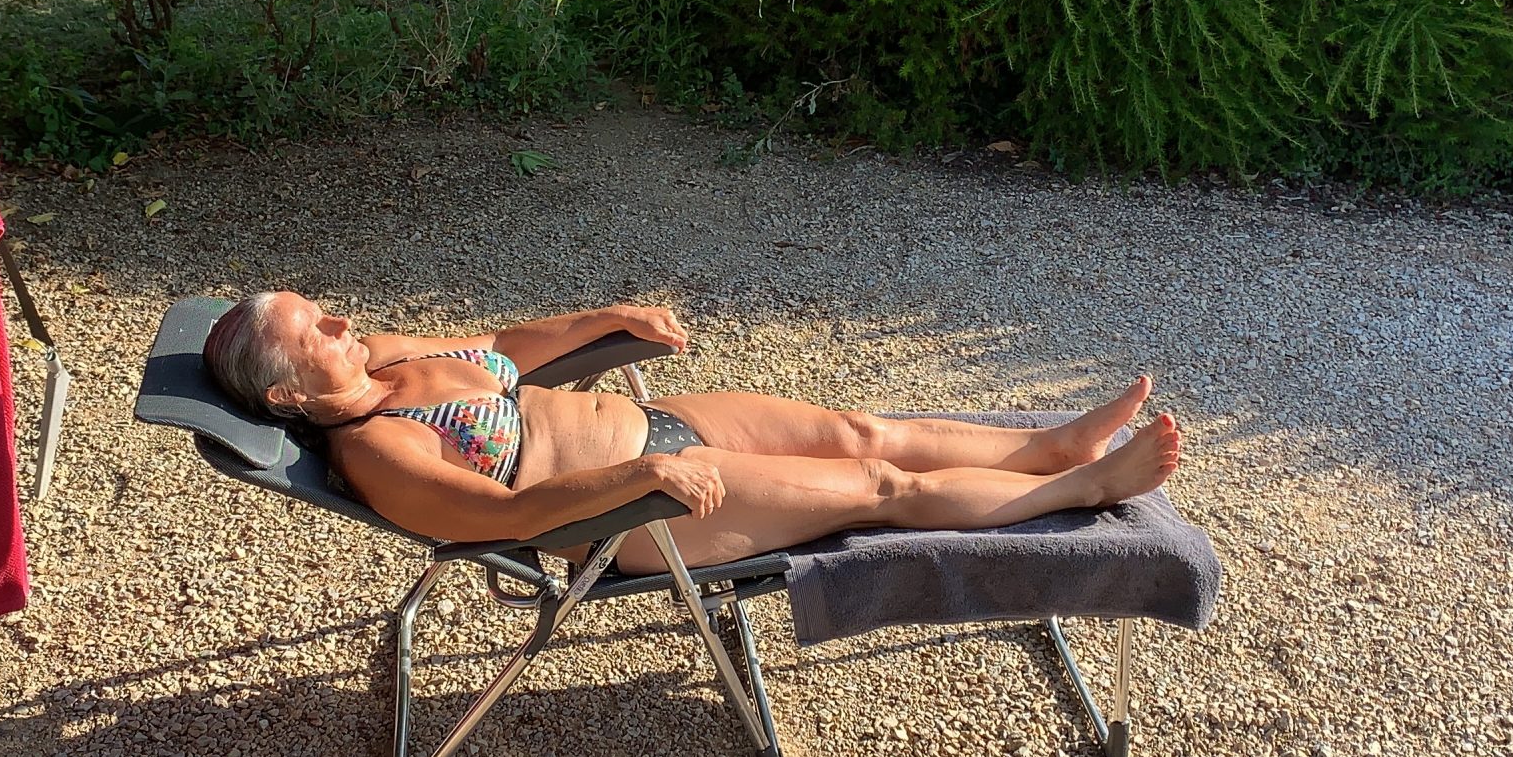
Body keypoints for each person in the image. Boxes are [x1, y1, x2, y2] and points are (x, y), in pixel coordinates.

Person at [203, 292, 1182, 572]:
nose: (341, 321)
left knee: (859, 431)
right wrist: (641, 481)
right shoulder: (380, 448)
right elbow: (505, 517)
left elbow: (499, 346)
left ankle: (1046, 448)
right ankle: (1082, 488)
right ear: (287, 396)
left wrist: (603, 320)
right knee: (884, 489)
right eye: (316, 330)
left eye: (322, 308)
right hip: (636, 511)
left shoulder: (381, 353)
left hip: (656, 428)